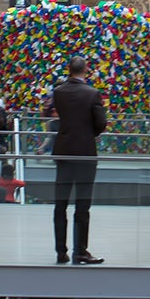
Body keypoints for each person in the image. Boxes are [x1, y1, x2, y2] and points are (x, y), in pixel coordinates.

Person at [50, 56, 107, 265]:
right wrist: (90, 131)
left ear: (69, 70)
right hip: (85, 154)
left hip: (64, 152)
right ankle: (80, 251)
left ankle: (60, 251)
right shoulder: (92, 94)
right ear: (86, 70)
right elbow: (101, 123)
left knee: (60, 204)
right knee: (82, 205)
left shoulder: (59, 92)